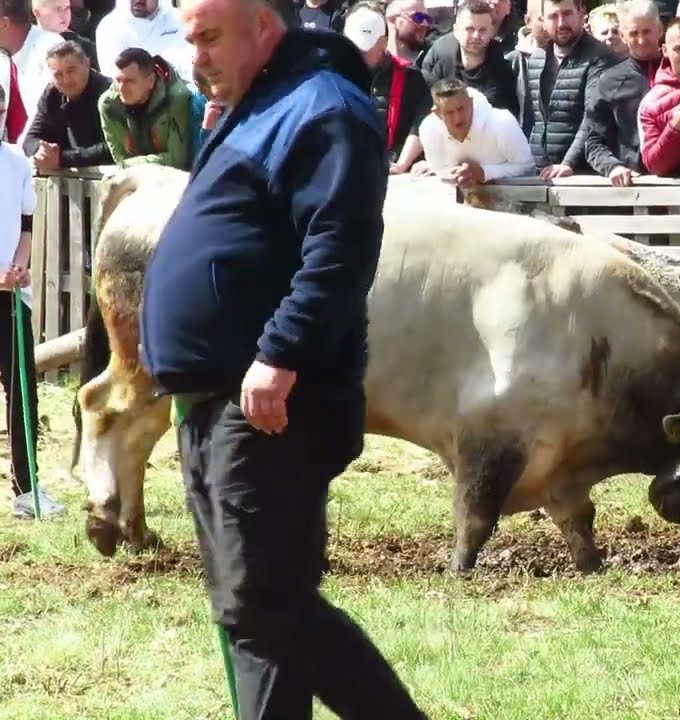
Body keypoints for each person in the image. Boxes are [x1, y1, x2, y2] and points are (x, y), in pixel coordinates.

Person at [138, 0, 428, 716]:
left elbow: (342, 245)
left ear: (263, 28)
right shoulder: (262, 100)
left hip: (272, 401)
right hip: (219, 401)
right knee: (253, 612)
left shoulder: (323, 106)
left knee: (261, 602)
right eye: (188, 40)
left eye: (209, 38)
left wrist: (281, 352)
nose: (194, 56)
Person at [0, 82, 62, 520]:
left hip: (10, 294)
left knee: (23, 391)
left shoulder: (17, 163)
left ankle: (26, 489)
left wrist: (18, 267)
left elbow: (25, 225)